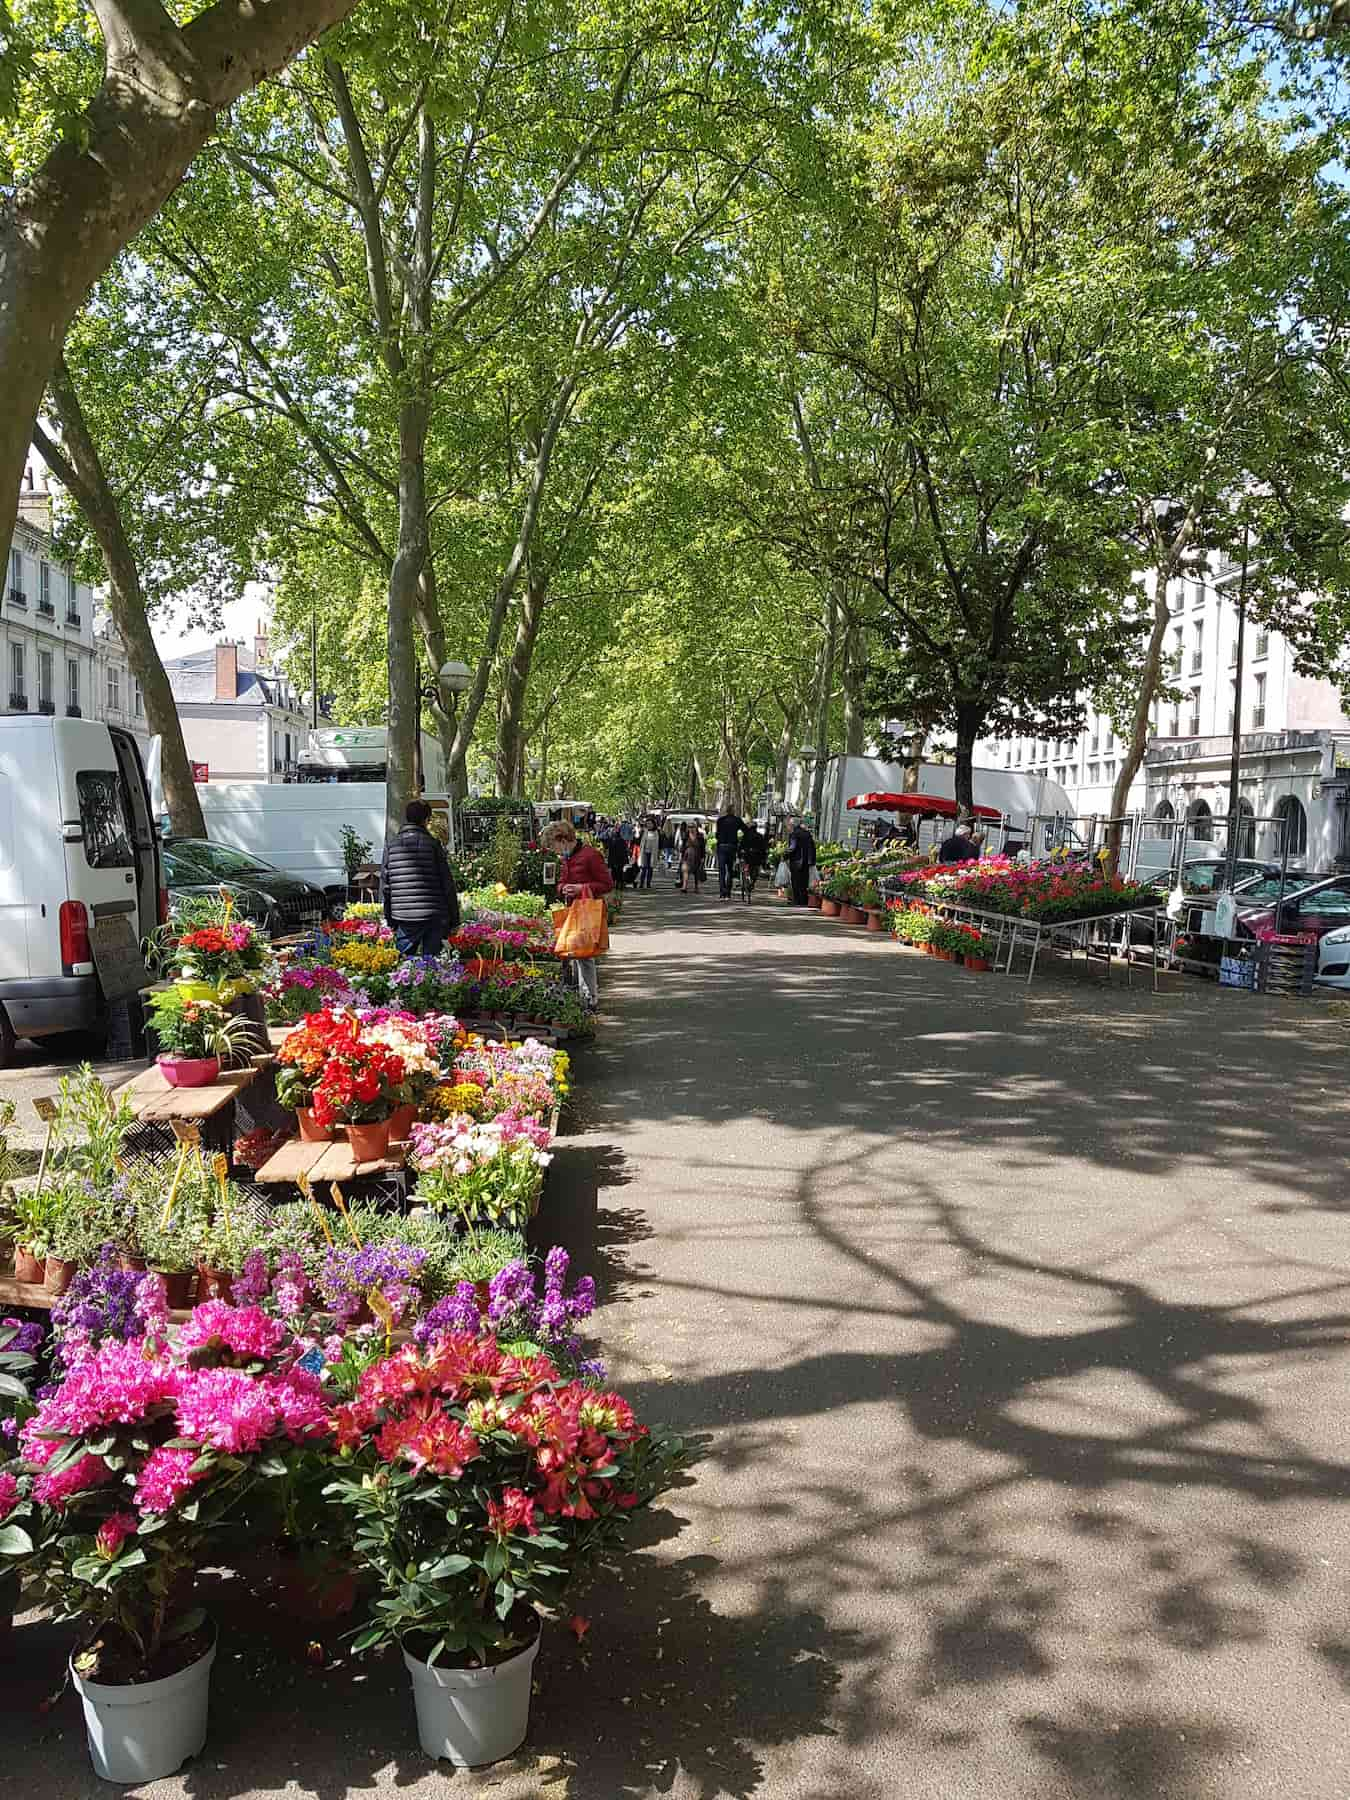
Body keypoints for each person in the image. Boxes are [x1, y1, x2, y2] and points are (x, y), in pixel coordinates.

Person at [541, 820, 613, 1007]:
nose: (553, 850)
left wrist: (582, 888)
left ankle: (589, 998)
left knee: (585, 955)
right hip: (573, 911)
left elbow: (607, 884)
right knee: (576, 953)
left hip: (588, 912)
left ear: (563, 840)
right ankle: (584, 996)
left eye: (553, 845)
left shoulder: (591, 855)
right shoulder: (567, 858)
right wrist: (563, 888)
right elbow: (561, 882)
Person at [382, 799, 459, 956]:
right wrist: (454, 920)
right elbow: (447, 884)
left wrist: (389, 918)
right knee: (430, 964)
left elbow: (386, 886)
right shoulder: (433, 845)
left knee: (403, 963)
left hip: (403, 915)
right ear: (426, 820)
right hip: (433, 915)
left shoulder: (392, 845)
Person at [714, 803, 746, 899]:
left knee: (722, 870)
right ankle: (728, 892)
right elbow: (746, 830)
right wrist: (741, 841)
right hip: (732, 847)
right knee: (730, 870)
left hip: (722, 846)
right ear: (733, 811)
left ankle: (722, 891)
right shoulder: (737, 820)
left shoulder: (720, 821)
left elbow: (717, 834)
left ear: (726, 811)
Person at [785, 815, 816, 906]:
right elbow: (813, 848)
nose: (789, 826)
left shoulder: (794, 834)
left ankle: (797, 901)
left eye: (790, 824)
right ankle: (804, 901)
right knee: (804, 882)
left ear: (793, 825)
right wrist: (812, 861)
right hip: (806, 862)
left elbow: (792, 848)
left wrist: (785, 854)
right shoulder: (807, 834)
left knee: (796, 881)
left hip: (796, 862)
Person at [739, 818, 767, 891]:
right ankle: (752, 882)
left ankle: (746, 878)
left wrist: (739, 854)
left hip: (747, 856)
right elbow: (763, 848)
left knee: (745, 867)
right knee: (755, 870)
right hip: (756, 857)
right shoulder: (760, 836)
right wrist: (763, 858)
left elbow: (741, 846)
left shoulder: (745, 836)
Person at [681, 821, 707, 894]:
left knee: (696, 872)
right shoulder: (685, 836)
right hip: (687, 856)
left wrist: (703, 857)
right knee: (686, 871)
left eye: (692, 827)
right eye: (689, 827)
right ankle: (684, 886)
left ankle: (696, 887)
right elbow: (683, 847)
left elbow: (702, 848)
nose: (691, 829)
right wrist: (682, 856)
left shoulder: (700, 836)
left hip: (697, 856)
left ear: (696, 828)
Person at [639, 819, 660, 889]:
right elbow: (641, 841)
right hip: (644, 852)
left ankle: (648, 883)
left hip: (652, 853)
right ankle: (641, 883)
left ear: (653, 824)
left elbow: (657, 844)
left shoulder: (656, 832)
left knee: (650, 869)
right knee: (644, 869)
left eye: (650, 823)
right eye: (647, 824)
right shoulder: (645, 831)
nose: (649, 825)